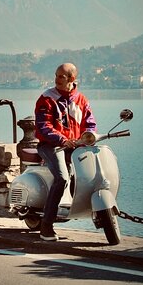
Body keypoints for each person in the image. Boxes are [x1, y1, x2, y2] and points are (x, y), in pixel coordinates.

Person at [34, 62, 96, 241]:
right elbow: (43, 126)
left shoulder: (81, 100)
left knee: (88, 176)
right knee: (62, 178)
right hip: (51, 145)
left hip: (75, 146)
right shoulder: (47, 98)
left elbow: (90, 123)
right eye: (56, 75)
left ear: (72, 79)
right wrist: (62, 139)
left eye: (61, 76)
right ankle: (46, 224)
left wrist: (89, 135)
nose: (56, 79)